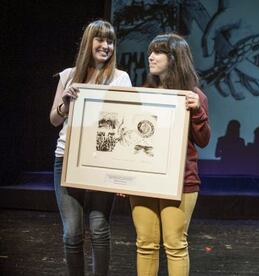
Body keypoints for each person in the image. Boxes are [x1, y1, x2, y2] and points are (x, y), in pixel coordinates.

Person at [49, 20, 132, 276]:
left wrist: (122, 175)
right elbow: (54, 119)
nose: (106, 46)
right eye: (100, 39)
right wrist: (65, 103)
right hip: (67, 158)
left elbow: (125, 126)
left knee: (98, 228)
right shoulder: (69, 75)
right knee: (72, 232)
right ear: (89, 41)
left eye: (110, 41)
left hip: (102, 163)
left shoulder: (121, 78)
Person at [129, 33, 211, 276]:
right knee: (145, 244)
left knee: (175, 245)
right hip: (144, 180)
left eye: (158, 52)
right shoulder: (144, 93)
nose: (150, 57)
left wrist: (197, 111)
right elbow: (132, 137)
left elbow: (204, 140)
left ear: (174, 58)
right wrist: (124, 174)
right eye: (150, 51)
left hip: (180, 181)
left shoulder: (194, 96)